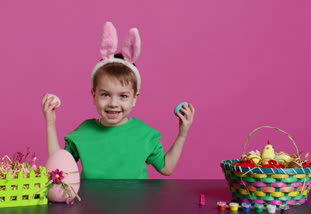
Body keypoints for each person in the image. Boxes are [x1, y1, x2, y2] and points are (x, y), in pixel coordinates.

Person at [41, 22, 195, 179]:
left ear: (135, 98)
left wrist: (182, 134)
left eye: (123, 96)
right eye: (105, 94)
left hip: (135, 203)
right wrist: (50, 124)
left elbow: (166, 168)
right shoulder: (84, 132)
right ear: (94, 95)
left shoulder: (144, 134)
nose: (113, 103)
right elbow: (58, 167)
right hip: (93, 203)